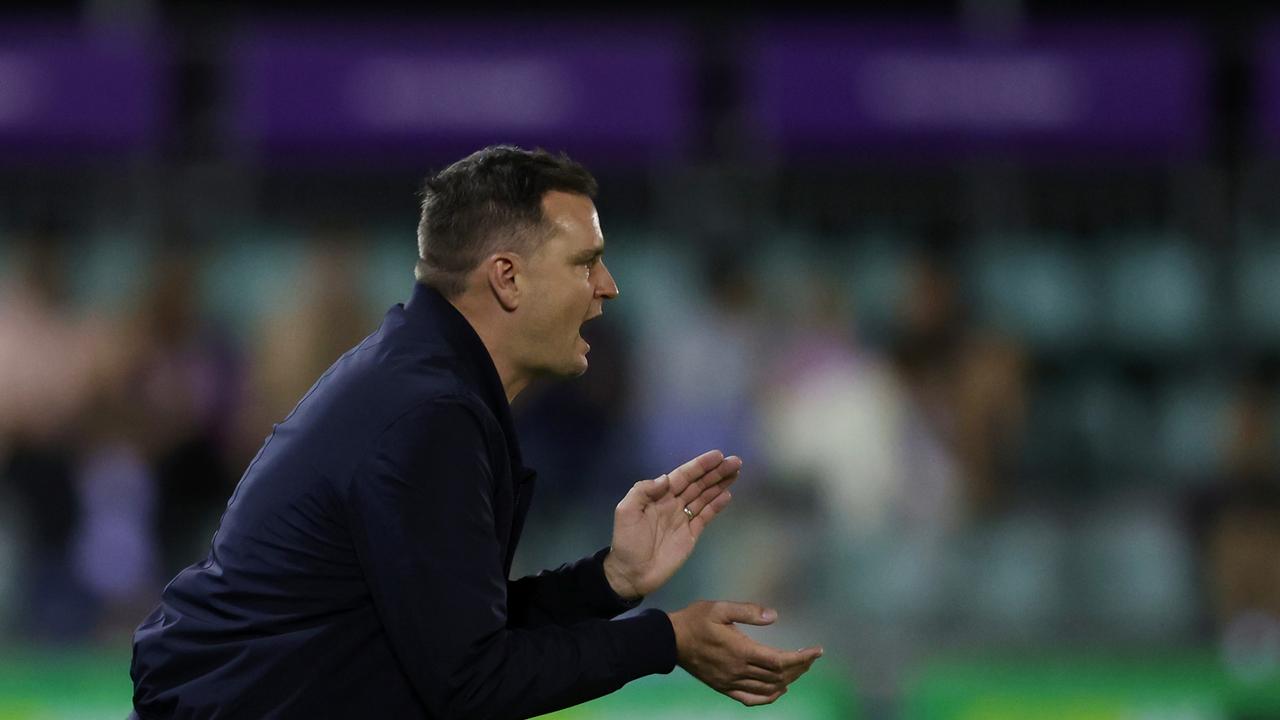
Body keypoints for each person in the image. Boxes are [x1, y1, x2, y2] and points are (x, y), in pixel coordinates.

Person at [130, 146, 822, 719]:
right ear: (508, 278)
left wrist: (609, 580)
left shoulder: (426, 382)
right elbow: (469, 679)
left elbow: (446, 631)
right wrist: (664, 640)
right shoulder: (427, 415)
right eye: (585, 262)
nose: (607, 285)